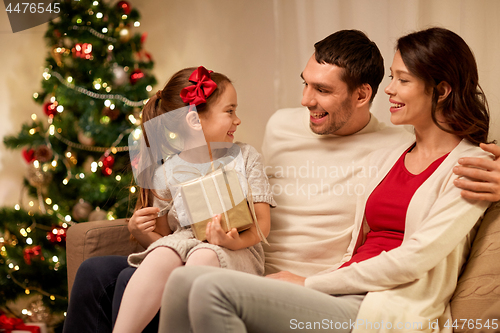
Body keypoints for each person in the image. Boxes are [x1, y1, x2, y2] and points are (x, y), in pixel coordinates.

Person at [62, 30, 500, 333]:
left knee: (160, 281)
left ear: (362, 95)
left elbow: (447, 169)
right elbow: (210, 163)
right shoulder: (282, 126)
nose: (306, 100)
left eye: (323, 91)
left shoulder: (396, 145)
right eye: (305, 84)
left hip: (302, 280)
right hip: (249, 262)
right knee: (98, 271)